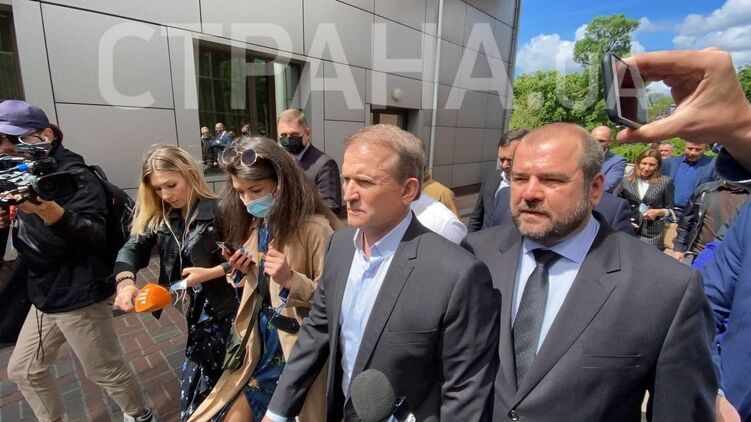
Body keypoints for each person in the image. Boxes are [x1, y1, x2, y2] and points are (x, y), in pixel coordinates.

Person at [463, 123, 716, 421]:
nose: (529, 193)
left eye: (551, 180)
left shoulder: (666, 287)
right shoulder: (476, 254)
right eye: (519, 179)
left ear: (595, 188)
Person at [263, 124, 499, 421]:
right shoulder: (340, 247)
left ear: (408, 190)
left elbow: (465, 390)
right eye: (346, 179)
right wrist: (277, 412)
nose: (348, 194)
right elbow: (318, 330)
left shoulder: (458, 274)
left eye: (364, 182)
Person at [616, 47, 751, 422]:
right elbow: (707, 308)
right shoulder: (742, 225)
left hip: (663, 237)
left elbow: (681, 213)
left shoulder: (689, 182)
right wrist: (715, 389)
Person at [0, 100, 156, 422]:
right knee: (24, 370)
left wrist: (50, 212)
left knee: (104, 370)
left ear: (44, 135)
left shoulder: (73, 175)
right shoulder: (16, 171)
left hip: (79, 289)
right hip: (45, 289)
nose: (5, 148)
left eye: (10, 138)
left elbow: (93, 236)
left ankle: (140, 415)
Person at [189, 136, 339, 422]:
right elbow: (258, 281)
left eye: (256, 190)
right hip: (260, 340)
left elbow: (333, 299)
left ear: (281, 183)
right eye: (240, 192)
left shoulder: (316, 229)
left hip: (295, 348)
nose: (248, 200)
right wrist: (241, 268)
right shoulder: (261, 222)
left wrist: (290, 279)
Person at [112, 145, 238, 421]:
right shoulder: (161, 216)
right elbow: (133, 247)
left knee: (226, 385)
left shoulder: (221, 209)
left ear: (190, 174)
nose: (166, 194)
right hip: (193, 311)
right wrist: (125, 282)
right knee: (202, 387)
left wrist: (214, 271)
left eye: (171, 185)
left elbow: (249, 256)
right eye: (157, 189)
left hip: (229, 308)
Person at [668, 179, 751, 263]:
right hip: (694, 253)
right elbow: (686, 221)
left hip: (724, 261)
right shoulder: (706, 190)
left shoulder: (748, 197)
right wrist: (678, 248)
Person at [276, 109, 342, 215]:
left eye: (294, 134)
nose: (288, 139)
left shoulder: (325, 164)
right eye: (283, 135)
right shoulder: (279, 163)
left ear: (307, 134)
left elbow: (331, 209)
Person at [469, 128, 528, 232]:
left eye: (509, 160)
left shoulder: (533, 190)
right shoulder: (490, 179)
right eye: (501, 159)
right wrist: (469, 239)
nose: (504, 165)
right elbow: (477, 217)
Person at [614, 149, 674, 249]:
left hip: (651, 234)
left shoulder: (665, 182)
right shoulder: (626, 181)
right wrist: (625, 221)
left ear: (657, 166)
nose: (647, 168)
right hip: (628, 230)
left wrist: (659, 212)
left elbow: (670, 210)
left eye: (651, 165)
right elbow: (617, 206)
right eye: (644, 163)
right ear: (638, 163)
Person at [661, 141, 717, 219]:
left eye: (698, 149)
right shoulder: (668, 163)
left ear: (705, 148)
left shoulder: (713, 165)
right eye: (689, 148)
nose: (692, 152)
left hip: (694, 217)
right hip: (667, 213)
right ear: (684, 146)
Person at [591, 125, 627, 192]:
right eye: (593, 140)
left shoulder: (618, 161)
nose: (596, 144)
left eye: (601, 141)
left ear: (610, 142)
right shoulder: (578, 156)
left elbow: (606, 187)